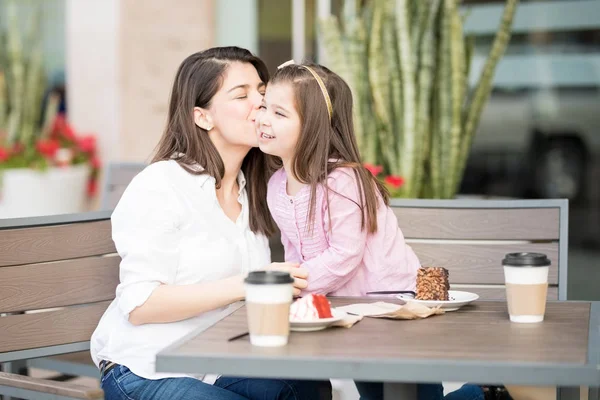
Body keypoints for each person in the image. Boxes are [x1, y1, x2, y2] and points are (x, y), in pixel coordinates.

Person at [90, 47, 331, 400]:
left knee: (307, 386)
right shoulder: (161, 184)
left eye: (263, 93)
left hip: (222, 366)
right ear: (202, 117)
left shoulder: (258, 190)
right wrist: (250, 284)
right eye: (242, 94)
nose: (260, 105)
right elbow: (141, 306)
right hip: (146, 369)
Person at [255, 60, 486, 400]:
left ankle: (481, 395)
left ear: (314, 126)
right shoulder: (276, 185)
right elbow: (294, 252)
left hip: (396, 307)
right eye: (263, 107)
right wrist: (296, 293)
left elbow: (345, 254)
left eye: (279, 113)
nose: (263, 119)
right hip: (352, 311)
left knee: (413, 397)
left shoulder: (342, 181)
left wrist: (291, 284)